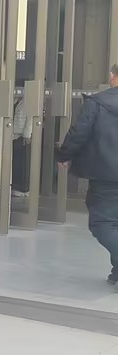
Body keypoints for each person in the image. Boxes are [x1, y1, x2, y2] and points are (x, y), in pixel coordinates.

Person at [57, 64, 118, 285]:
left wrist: (64, 155)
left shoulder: (97, 103)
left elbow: (79, 132)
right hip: (107, 173)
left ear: (113, 76)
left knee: (102, 223)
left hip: (106, 173)